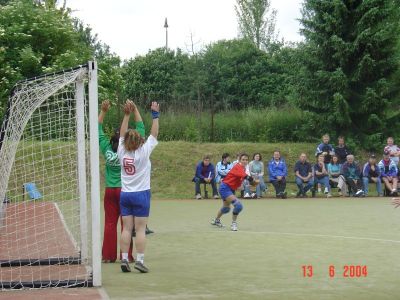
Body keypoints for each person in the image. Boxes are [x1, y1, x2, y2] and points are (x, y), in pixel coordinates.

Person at [118, 100, 159, 273]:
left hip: (125, 194)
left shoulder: (121, 150)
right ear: (140, 140)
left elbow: (121, 133)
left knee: (127, 228)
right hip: (141, 194)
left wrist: (127, 114)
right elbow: (154, 133)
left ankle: (124, 259)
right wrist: (155, 115)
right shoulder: (144, 150)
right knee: (140, 229)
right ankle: (140, 261)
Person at [98, 100, 135, 263]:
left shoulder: (106, 148)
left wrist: (103, 111)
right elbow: (140, 130)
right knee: (126, 225)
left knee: (109, 223)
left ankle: (107, 256)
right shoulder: (125, 150)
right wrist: (132, 112)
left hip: (109, 190)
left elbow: (97, 130)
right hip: (124, 190)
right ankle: (127, 255)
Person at [211, 153, 257, 231]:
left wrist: (246, 186)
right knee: (238, 206)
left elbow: (239, 183)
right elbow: (247, 177)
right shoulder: (237, 167)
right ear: (239, 160)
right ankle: (233, 223)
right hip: (224, 188)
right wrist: (254, 181)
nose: (245, 161)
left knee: (226, 208)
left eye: (246, 160)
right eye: (243, 159)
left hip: (230, 189)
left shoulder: (243, 169)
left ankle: (216, 220)